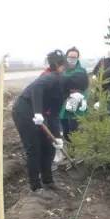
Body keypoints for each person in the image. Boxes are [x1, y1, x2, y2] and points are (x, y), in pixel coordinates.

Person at [12, 50, 87, 196]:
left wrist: (57, 136)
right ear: (72, 84)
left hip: (39, 112)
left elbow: (54, 114)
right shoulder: (54, 78)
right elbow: (36, 89)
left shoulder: (65, 93)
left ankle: (48, 181)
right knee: (34, 148)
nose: (75, 92)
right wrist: (38, 112)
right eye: (76, 89)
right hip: (24, 109)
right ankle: (35, 187)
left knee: (49, 146)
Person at [58, 46, 88, 142]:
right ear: (66, 57)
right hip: (61, 101)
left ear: (78, 58)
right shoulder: (61, 70)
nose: (72, 59)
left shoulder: (81, 71)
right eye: (70, 57)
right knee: (64, 126)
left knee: (73, 127)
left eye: (74, 57)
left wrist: (84, 100)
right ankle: (67, 144)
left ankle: (73, 149)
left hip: (74, 100)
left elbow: (85, 88)